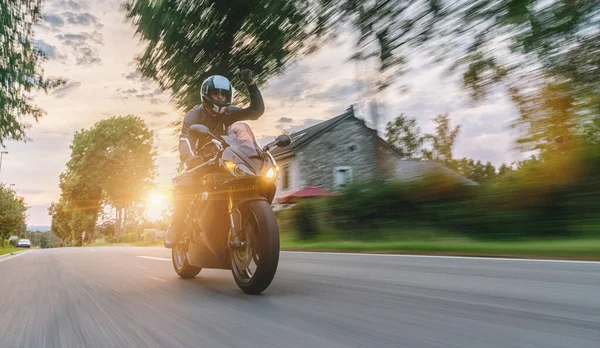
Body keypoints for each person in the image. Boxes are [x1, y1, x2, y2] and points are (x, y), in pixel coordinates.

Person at [164, 69, 265, 248]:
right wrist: (190, 158)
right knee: (186, 186)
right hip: (199, 160)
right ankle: (176, 226)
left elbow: (255, 112)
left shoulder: (230, 113)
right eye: (215, 93)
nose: (219, 97)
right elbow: (185, 140)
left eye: (223, 94)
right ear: (206, 95)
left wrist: (251, 84)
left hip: (224, 157)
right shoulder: (194, 115)